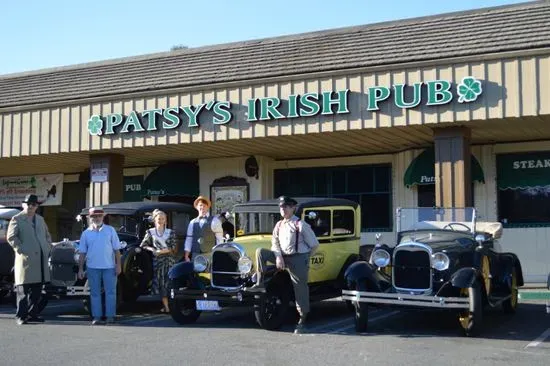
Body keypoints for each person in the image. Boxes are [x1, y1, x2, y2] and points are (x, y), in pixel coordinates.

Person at [252, 196, 319, 334]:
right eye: (281, 207)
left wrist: (305, 258)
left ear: (293, 208)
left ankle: (302, 318)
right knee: (260, 252)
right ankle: (260, 282)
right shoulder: (278, 225)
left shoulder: (300, 224)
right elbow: (274, 244)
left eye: (286, 206)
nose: (283, 209)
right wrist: (278, 257)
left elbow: (314, 245)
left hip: (297, 257)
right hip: (282, 256)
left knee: (300, 287)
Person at [7, 194, 52, 325]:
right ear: (23, 204)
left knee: (37, 291)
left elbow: (47, 235)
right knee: (23, 291)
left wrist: (47, 247)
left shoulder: (40, 219)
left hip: (40, 261)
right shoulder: (17, 218)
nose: (31, 206)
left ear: (37, 206)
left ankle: (33, 314)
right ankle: (21, 316)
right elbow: (11, 237)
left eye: (34, 204)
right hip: (25, 260)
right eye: (28, 204)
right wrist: (22, 250)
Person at [78, 207, 122, 325]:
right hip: (92, 267)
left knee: (111, 292)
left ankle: (110, 316)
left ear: (103, 217)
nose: (97, 218)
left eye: (99, 216)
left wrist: (118, 265)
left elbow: (117, 249)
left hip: (109, 266)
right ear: (90, 218)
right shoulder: (86, 233)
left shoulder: (110, 230)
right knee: (95, 293)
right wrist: (81, 269)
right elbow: (82, 252)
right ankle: (96, 316)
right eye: (94, 216)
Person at [140, 209, 177, 313]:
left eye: (163, 219)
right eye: (159, 218)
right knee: (161, 283)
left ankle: (171, 305)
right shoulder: (150, 232)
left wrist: (161, 251)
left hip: (169, 260)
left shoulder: (170, 232)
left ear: (166, 220)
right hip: (158, 261)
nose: (160, 220)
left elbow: (173, 247)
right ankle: (166, 307)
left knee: (169, 282)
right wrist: (152, 249)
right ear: (155, 220)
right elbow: (143, 245)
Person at [183, 196, 224, 262]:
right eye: (200, 205)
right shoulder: (192, 222)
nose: (202, 207)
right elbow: (189, 239)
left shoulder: (214, 220)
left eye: (204, 205)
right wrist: (186, 255)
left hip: (209, 254)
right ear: (197, 207)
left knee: (209, 272)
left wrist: (218, 254)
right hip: (195, 254)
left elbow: (219, 239)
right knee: (195, 272)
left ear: (208, 207)